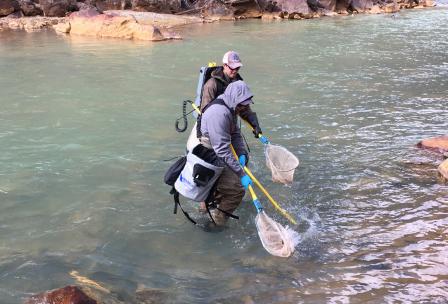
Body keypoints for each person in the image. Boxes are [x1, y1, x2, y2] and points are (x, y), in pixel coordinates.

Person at [199, 80, 256, 226]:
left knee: (232, 180)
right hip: (211, 152)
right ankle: (217, 221)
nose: (245, 107)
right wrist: (241, 174)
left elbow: (235, 133)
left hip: (220, 148)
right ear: (235, 99)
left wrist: (241, 153)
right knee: (237, 190)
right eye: (243, 104)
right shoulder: (219, 114)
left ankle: (211, 204)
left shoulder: (230, 108)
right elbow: (222, 150)